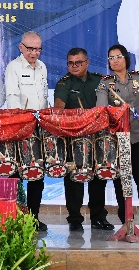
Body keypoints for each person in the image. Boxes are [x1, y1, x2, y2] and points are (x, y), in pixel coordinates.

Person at [99, 43, 139, 236]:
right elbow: (102, 111)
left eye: (118, 57)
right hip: (118, 139)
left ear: (126, 58)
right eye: (111, 58)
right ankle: (126, 219)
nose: (115, 61)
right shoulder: (105, 83)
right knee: (121, 181)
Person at [53, 48, 113, 232]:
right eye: (70, 63)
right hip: (74, 138)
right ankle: (75, 219)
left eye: (78, 62)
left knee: (98, 178)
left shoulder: (99, 80)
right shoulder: (64, 83)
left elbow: (110, 103)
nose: (74, 66)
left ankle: (98, 217)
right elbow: (59, 107)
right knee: (73, 179)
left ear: (87, 63)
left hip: (97, 136)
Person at [4, 31, 49, 231]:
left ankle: (33, 217)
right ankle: (14, 217)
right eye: (30, 49)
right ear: (21, 47)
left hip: (39, 128)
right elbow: (12, 98)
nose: (34, 53)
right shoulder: (13, 67)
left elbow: (44, 98)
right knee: (16, 174)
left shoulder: (43, 67)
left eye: (38, 49)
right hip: (20, 127)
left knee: (37, 174)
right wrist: (22, 123)